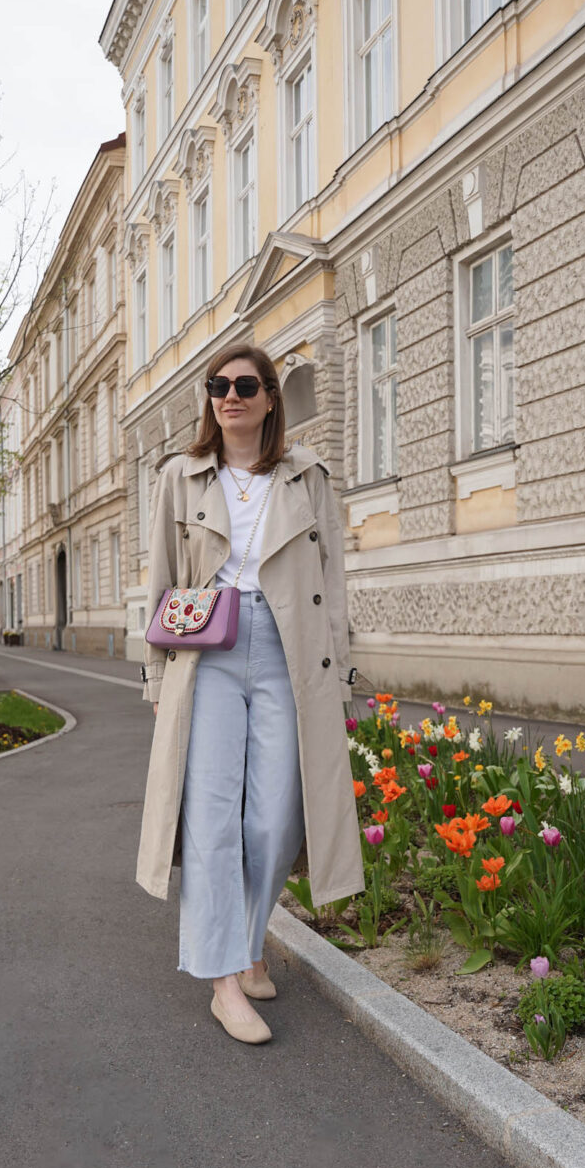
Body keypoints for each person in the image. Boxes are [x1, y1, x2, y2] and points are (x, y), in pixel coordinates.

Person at [137, 342, 364, 1044]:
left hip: (287, 648)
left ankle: (250, 941)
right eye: (217, 385)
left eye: (244, 385)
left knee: (274, 819)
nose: (229, 395)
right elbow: (162, 579)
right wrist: (153, 673)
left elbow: (334, 583)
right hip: (206, 652)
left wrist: (345, 674)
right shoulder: (180, 477)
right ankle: (224, 982)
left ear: (270, 397)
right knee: (209, 818)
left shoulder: (307, 478)